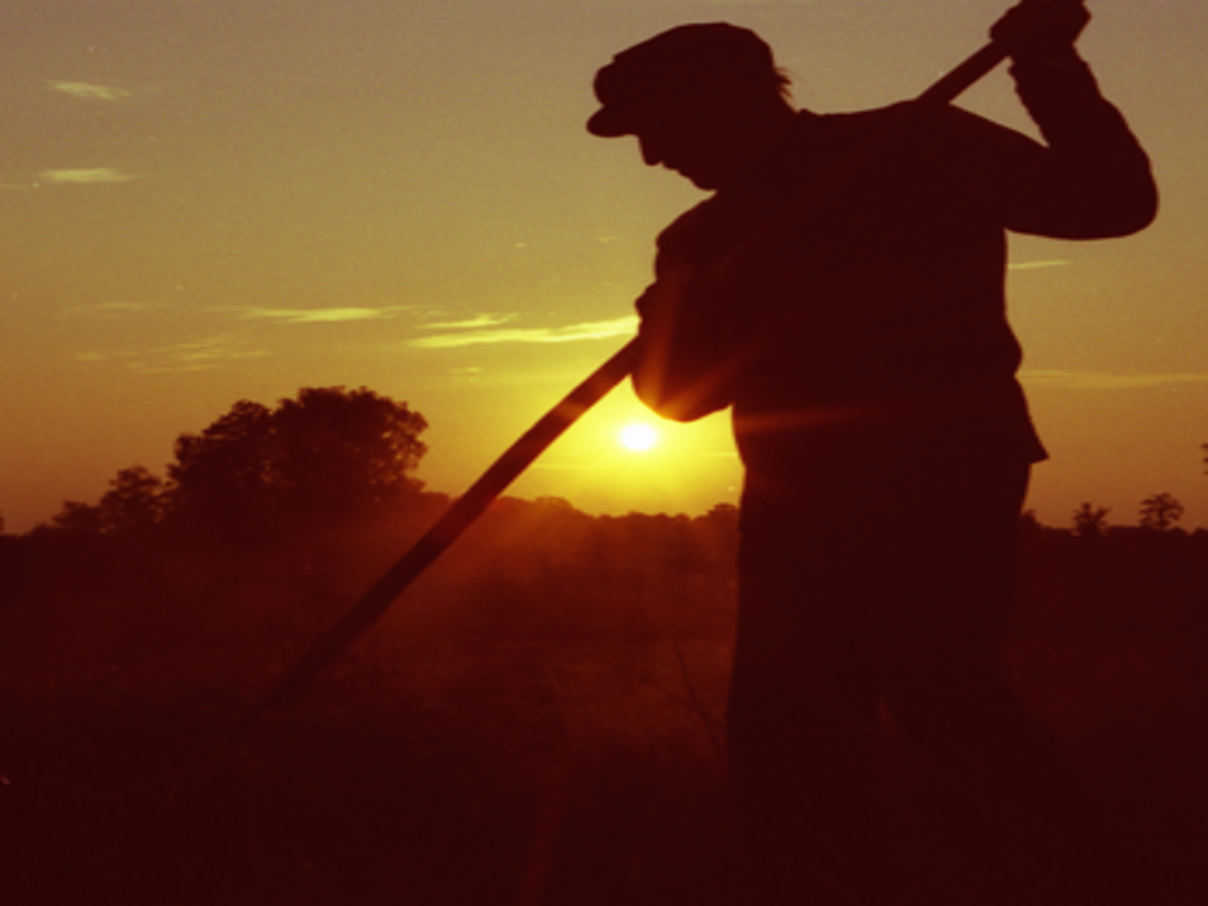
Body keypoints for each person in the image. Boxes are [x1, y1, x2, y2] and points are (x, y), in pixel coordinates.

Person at [586, 3, 1156, 904]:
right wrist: (674, 306)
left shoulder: (913, 145)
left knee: (944, 705)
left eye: (657, 127)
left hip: (947, 472)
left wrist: (1048, 69)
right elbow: (675, 398)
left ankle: (1077, 881)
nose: (653, 156)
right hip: (799, 500)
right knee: (783, 737)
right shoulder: (701, 241)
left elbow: (1111, 203)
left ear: (722, 100)